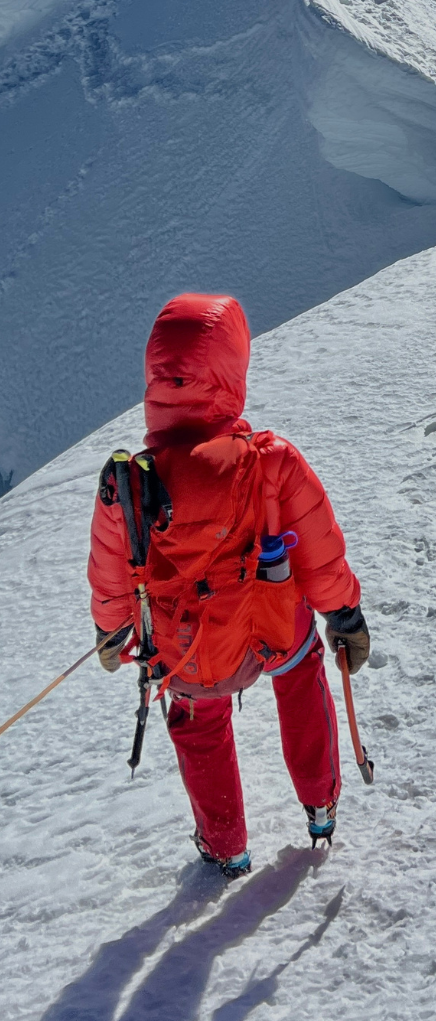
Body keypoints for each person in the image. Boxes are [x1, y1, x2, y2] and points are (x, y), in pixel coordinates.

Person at [88, 292, 370, 880]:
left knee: (198, 723)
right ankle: (320, 804)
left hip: (185, 646)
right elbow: (318, 548)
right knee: (299, 675)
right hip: (270, 626)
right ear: (230, 371)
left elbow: (112, 571)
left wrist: (110, 628)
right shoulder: (270, 460)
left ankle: (225, 847)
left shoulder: (128, 483)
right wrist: (343, 613)